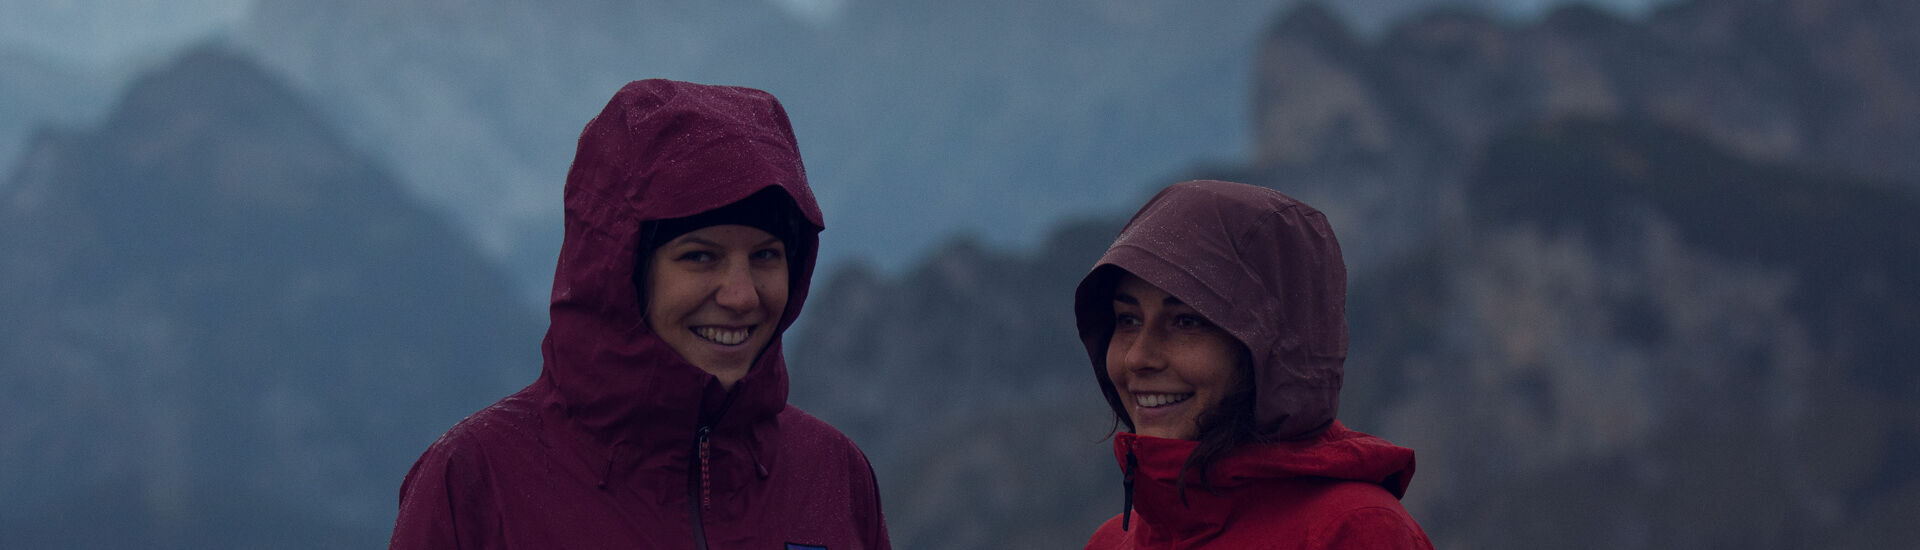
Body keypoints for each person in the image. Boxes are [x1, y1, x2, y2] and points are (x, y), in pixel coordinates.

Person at [390, 79, 889, 549]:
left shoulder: (833, 474)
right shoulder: (475, 479)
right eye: (700, 256)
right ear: (619, 273)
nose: (742, 296)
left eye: (766, 255)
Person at [1075, 180, 1433, 549]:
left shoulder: (1355, 531)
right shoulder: (1112, 541)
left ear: (1274, 346)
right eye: (1128, 320)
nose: (1137, 357)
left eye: (1185, 321)